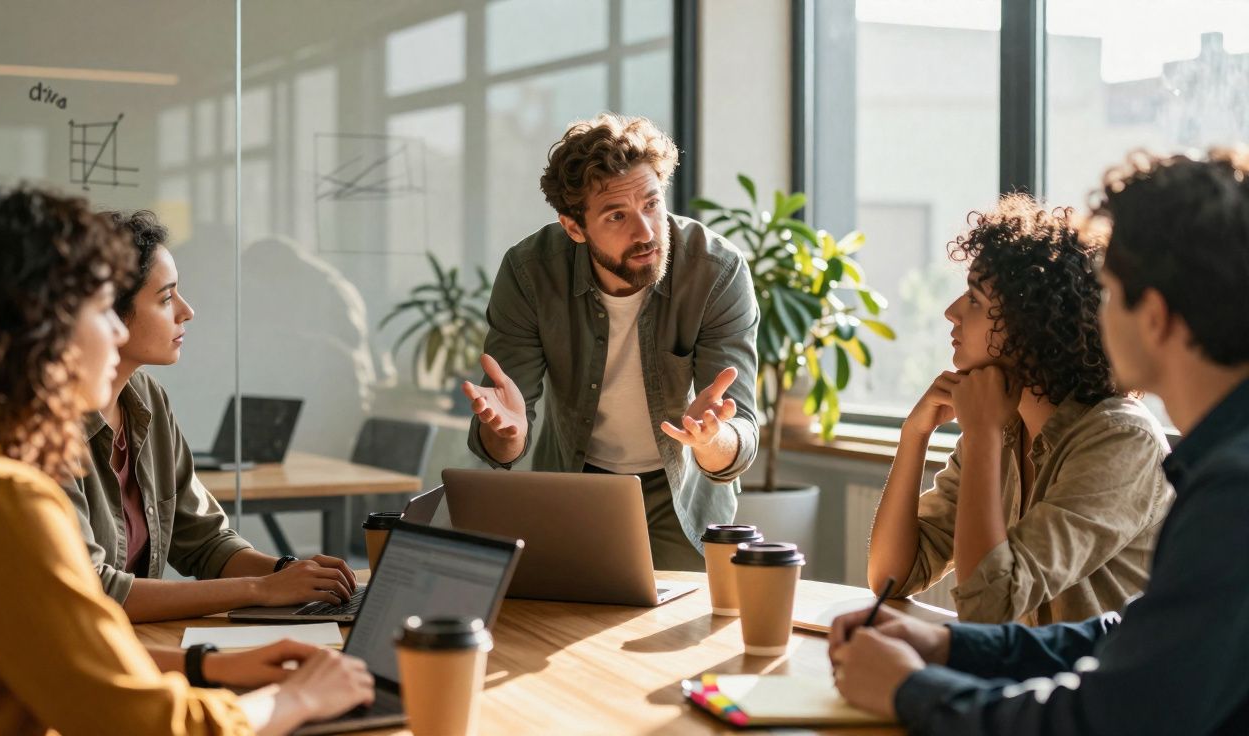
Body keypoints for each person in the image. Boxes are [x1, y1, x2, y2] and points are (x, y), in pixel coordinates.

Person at [829, 149, 1249, 734]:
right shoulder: (1222, 470)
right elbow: (1123, 636)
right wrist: (949, 647)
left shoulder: (1227, 489)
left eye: (1108, 292)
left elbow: (1105, 715)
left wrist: (911, 690)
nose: (1095, 314)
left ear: (1153, 316)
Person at [0, 186, 373, 734]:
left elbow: (70, 661)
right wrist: (297, 699)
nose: (117, 331)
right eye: (102, 310)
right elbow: (144, 725)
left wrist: (208, 666)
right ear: (40, 328)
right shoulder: (4, 500)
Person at [459, 114, 759, 571]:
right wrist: (509, 436)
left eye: (652, 204)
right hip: (577, 483)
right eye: (617, 215)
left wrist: (712, 439)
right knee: (561, 613)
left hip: (682, 493)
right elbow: (502, 438)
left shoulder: (716, 271)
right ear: (574, 228)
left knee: (686, 616)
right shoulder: (530, 273)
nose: (646, 232)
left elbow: (742, 435)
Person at [867, 195, 1171, 625]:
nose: (951, 312)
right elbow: (890, 578)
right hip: (1019, 667)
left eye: (975, 299)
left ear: (1031, 325)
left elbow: (988, 606)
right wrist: (913, 436)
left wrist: (982, 435)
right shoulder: (1004, 426)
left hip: (1093, 671)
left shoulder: (1121, 440)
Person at [63, 210, 357, 623]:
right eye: (166, 298)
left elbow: (204, 540)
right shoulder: (44, 430)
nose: (187, 311)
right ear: (108, 312)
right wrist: (262, 589)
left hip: (128, 642)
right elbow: (93, 591)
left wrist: (288, 573)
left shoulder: (147, 398)